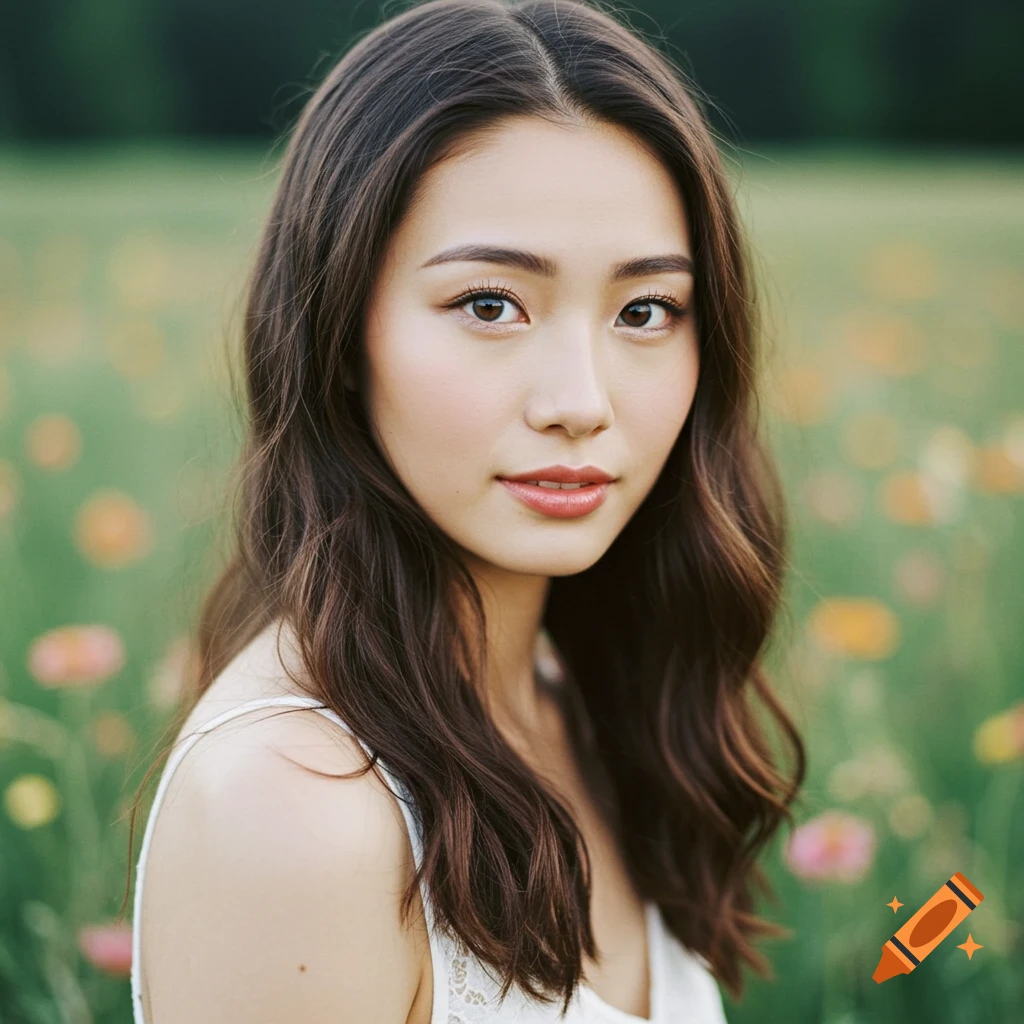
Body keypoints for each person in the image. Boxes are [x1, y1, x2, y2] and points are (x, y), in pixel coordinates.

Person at [120, 0, 806, 1020]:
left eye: (644, 310)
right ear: (336, 333)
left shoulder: (569, 685)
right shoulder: (295, 811)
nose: (580, 401)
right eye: (490, 304)